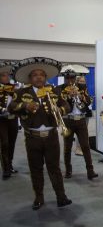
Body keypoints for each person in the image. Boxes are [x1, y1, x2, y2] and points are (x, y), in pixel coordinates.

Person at [8, 57, 72, 210]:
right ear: (30, 78)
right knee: (35, 168)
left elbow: (66, 106)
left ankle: (61, 197)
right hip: (32, 137)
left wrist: (60, 110)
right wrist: (25, 105)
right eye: (35, 75)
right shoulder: (21, 91)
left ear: (45, 77)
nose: (38, 77)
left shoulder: (54, 90)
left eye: (41, 75)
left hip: (51, 137)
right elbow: (11, 107)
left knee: (54, 168)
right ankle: (39, 197)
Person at [55, 65, 98, 180]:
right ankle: (68, 171)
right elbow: (58, 104)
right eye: (67, 78)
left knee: (85, 146)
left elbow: (89, 101)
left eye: (72, 78)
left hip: (81, 120)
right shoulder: (59, 89)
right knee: (67, 147)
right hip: (67, 120)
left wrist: (79, 96)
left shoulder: (82, 87)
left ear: (75, 78)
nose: (70, 81)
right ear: (64, 79)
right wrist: (68, 97)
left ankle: (90, 171)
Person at [0, 61, 19, 180]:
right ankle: (6, 168)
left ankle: (10, 164)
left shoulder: (14, 87)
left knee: (12, 143)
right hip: (1, 119)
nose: (7, 77)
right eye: (3, 75)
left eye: (8, 74)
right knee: (4, 143)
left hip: (13, 119)